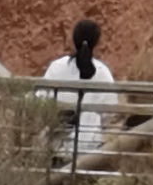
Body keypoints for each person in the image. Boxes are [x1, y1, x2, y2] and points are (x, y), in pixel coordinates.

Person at [39, 18, 121, 171]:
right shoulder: (103, 74)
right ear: (97, 44)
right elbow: (111, 115)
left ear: (73, 41)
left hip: (56, 150)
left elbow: (40, 102)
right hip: (90, 153)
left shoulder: (56, 68)